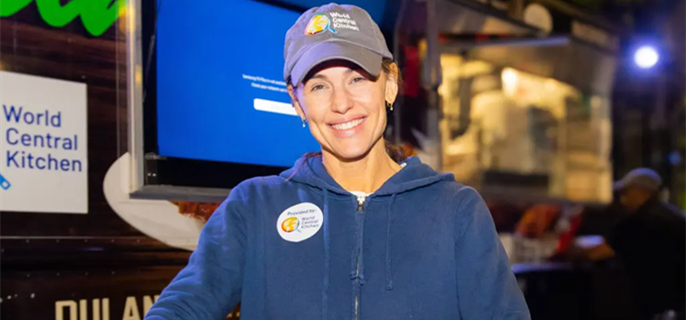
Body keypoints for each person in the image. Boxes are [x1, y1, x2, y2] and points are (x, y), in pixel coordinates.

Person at [144, 3, 529, 319]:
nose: (341, 103)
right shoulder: (253, 208)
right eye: (318, 86)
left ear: (390, 83)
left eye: (357, 78)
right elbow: (182, 308)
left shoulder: (457, 211)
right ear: (297, 103)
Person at [584, 168, 686, 319]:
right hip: (678, 305)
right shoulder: (676, 216)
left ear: (641, 193)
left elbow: (598, 253)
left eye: (626, 193)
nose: (622, 200)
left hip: (650, 305)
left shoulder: (636, 221)